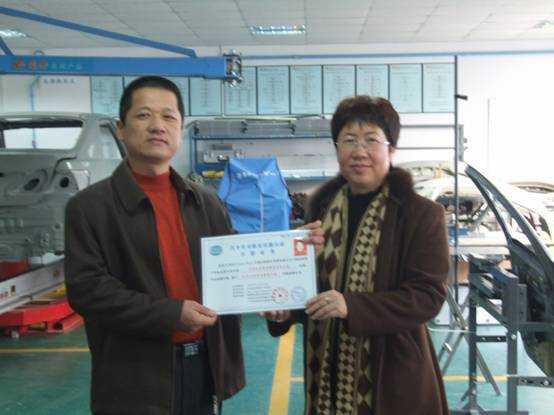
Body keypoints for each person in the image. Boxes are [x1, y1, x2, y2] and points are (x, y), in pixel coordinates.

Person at [65, 76, 242, 415]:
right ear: (121, 128)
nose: (158, 126)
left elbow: (234, 266)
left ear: (180, 128)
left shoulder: (205, 202)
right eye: (144, 115)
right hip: (134, 376)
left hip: (203, 366)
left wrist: (291, 255)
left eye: (169, 116)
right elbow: (88, 291)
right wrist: (171, 314)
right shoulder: (89, 207)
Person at [265, 96, 450, 414]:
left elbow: (427, 297)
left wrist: (351, 306)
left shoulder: (420, 214)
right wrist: (286, 309)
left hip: (391, 376)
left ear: (391, 149)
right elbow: (312, 287)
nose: (359, 151)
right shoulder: (320, 208)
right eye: (349, 140)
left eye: (371, 140)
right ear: (337, 148)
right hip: (326, 371)